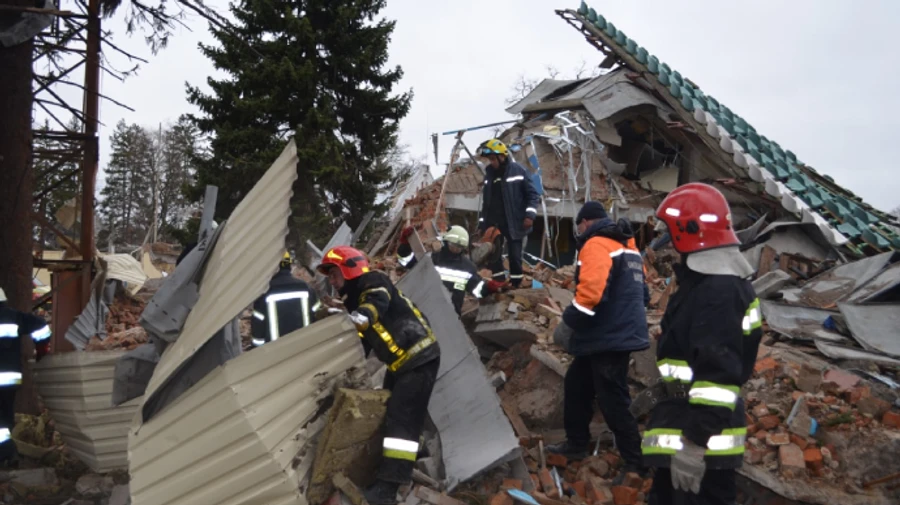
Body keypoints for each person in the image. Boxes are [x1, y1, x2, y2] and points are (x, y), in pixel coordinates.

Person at [644, 183, 762, 505]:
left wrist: (694, 445)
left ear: (688, 232)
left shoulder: (717, 293)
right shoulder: (711, 284)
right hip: (688, 424)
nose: (666, 244)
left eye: (670, 233)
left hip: (699, 440)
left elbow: (718, 378)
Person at [316, 246, 440, 505]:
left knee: (401, 419)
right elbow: (363, 342)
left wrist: (356, 317)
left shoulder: (373, 282)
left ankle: (387, 490)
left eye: (334, 273)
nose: (332, 281)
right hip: (402, 364)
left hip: (419, 359)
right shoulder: (354, 299)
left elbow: (375, 305)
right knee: (392, 413)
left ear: (349, 269)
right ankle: (414, 455)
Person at [547, 201, 649, 479]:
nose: (578, 231)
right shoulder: (629, 248)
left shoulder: (596, 245)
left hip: (609, 337)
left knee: (613, 400)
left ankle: (635, 462)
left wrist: (568, 323)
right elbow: (644, 295)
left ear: (585, 222)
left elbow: (591, 295)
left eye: (578, 225)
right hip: (614, 333)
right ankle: (577, 444)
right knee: (577, 384)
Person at [396, 225, 504, 315]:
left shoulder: (467, 268)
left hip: (449, 316)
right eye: (453, 245)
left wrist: (489, 287)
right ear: (446, 242)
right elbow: (405, 262)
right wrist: (405, 245)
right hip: (424, 311)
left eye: (459, 247)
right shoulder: (430, 259)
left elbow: (477, 288)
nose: (456, 249)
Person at [476, 138, 540, 288]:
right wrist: (482, 224)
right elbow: (486, 203)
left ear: (502, 156)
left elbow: (533, 195)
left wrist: (529, 216)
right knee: (493, 255)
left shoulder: (518, 170)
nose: (491, 162)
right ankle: (499, 283)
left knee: (514, 255)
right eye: (490, 159)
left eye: (493, 159)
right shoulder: (489, 174)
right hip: (494, 223)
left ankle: (516, 284)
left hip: (514, 222)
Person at [0, 287, 52, 463]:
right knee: (5, 416)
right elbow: (41, 326)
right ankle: (7, 455)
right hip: (10, 381)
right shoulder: (14, 317)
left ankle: (7, 454)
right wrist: (41, 349)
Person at [250, 251, 319, 347]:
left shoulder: (264, 293)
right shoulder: (306, 288)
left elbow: (257, 337)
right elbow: (319, 316)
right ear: (289, 266)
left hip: (276, 352)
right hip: (305, 348)